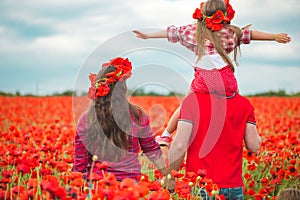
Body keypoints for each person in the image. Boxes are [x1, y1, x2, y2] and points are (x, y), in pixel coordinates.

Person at [133, 0, 291, 146]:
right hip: (226, 79)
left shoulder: (193, 32)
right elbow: (250, 33)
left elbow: (171, 32)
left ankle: (166, 135)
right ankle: (244, 134)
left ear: (201, 15)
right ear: (224, 15)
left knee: (186, 105)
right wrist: (274, 37)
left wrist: (148, 35)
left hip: (203, 79)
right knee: (240, 106)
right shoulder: (231, 33)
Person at [72, 57, 167, 181]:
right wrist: (167, 175)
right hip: (130, 187)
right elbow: (151, 149)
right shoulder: (137, 116)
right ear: (123, 89)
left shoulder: (87, 119)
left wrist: (73, 189)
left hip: (97, 186)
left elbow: (80, 164)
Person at [166, 92, 262, 199]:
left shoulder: (192, 101)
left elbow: (179, 145)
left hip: (200, 186)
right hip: (232, 187)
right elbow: (254, 146)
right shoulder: (244, 104)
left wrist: (171, 178)